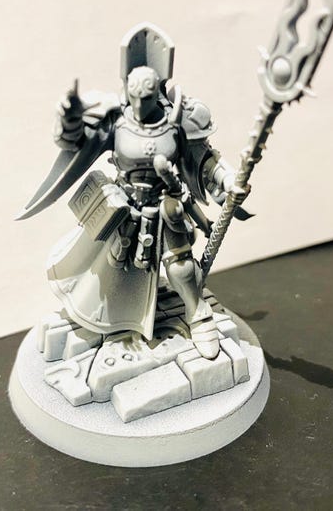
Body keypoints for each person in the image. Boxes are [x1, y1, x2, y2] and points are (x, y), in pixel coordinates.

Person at [19, 23, 248, 359]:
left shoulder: (177, 118)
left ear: (157, 92)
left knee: (180, 263)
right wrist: (69, 119)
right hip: (126, 204)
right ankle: (109, 320)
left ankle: (197, 315)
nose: (140, 105)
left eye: (147, 98)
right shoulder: (116, 119)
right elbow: (76, 140)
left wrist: (227, 180)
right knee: (110, 265)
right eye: (135, 97)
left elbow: (203, 158)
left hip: (167, 202)